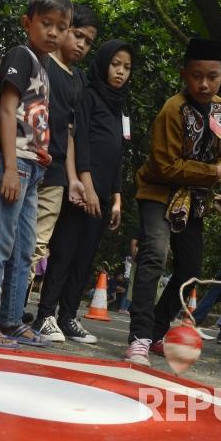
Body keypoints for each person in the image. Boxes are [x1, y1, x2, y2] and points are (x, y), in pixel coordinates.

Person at [125, 38, 221, 366]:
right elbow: (165, 166)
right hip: (158, 192)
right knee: (154, 255)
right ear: (184, 74)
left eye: (211, 76)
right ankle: (138, 336)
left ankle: (156, 331)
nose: (203, 83)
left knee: (190, 269)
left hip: (193, 200)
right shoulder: (172, 110)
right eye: (196, 76)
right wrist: (213, 172)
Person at [0, 0, 72, 349]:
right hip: (12, 163)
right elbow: (7, 111)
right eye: (47, 24)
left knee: (25, 250)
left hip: (32, 168)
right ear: (28, 23)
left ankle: (11, 321)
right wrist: (10, 167)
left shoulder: (42, 66)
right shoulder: (22, 56)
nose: (54, 33)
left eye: (62, 27)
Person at [34, 40, 133, 344]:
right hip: (81, 190)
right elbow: (83, 142)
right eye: (115, 64)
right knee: (64, 252)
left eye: (127, 67)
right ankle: (45, 315)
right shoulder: (88, 94)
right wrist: (86, 186)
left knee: (85, 258)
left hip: (103, 195)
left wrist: (116, 198)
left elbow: (118, 154)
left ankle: (67, 316)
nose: (120, 72)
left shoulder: (120, 105)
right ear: (104, 63)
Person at [25, 5, 99, 321]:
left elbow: (70, 133)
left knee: (38, 245)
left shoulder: (79, 80)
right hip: (25, 161)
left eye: (88, 41)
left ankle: (15, 309)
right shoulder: (39, 61)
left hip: (55, 172)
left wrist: (73, 179)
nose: (81, 44)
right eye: (77, 35)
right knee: (6, 238)